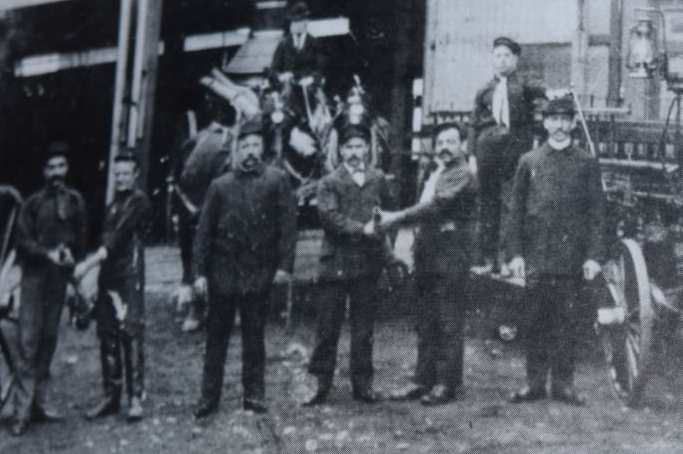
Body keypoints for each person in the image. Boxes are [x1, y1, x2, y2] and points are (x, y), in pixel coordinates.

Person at [503, 95, 605, 405]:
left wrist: (593, 256)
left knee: (566, 323)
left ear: (573, 124)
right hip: (537, 257)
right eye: (553, 119)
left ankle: (563, 385)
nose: (559, 125)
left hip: (571, 260)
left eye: (564, 120)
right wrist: (515, 254)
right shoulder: (529, 161)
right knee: (534, 321)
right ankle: (534, 383)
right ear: (545, 123)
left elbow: (597, 214)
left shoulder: (586, 163)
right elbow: (515, 212)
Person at [192, 126, 296, 417]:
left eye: (255, 145)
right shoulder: (220, 186)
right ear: (237, 150)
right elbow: (204, 233)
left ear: (262, 148)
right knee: (216, 339)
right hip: (222, 275)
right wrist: (199, 273)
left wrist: (284, 267)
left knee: (254, 337)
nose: (250, 151)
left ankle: (254, 394)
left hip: (258, 275)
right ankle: (209, 397)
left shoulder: (277, 180)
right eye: (245, 145)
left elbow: (288, 228)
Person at [377, 123, 479, 406]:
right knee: (426, 320)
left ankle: (446, 383)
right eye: (440, 142)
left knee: (448, 320)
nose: (444, 147)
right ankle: (423, 380)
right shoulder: (436, 171)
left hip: (450, 255)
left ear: (462, 145)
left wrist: (395, 217)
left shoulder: (462, 174)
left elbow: (436, 205)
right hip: (428, 254)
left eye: (451, 142)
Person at [305, 125, 392, 406]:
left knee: (363, 330)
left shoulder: (378, 178)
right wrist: (362, 230)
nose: (354, 153)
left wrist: (386, 252)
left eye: (359, 146)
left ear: (367, 148)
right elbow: (329, 217)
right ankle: (319, 385)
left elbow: (388, 217)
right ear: (341, 150)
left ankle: (363, 385)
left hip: (367, 264)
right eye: (349, 147)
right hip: (336, 264)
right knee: (327, 328)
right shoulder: (330, 182)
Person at [9, 142, 87, 436]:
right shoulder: (32, 204)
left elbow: (81, 238)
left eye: (61, 166)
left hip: (58, 281)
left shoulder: (76, 202)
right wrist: (47, 254)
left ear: (67, 169)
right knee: (27, 343)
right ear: (44, 172)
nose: (56, 173)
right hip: (34, 279)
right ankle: (20, 415)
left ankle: (38, 406)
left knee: (48, 340)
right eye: (51, 167)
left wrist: (73, 260)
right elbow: (22, 243)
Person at [78, 153, 152, 422]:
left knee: (130, 331)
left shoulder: (139, 202)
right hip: (108, 276)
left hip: (129, 275)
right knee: (107, 333)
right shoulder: (111, 207)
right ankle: (111, 397)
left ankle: (135, 398)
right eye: (117, 173)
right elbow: (105, 239)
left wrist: (88, 265)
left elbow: (119, 237)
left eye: (125, 173)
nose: (121, 178)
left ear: (135, 175)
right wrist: (95, 275)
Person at [469, 36, 546, 273]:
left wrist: (552, 93)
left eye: (506, 56)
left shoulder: (525, 86)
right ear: (493, 59)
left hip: (515, 152)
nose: (502, 60)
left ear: (515, 59)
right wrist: (472, 156)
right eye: (498, 56)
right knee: (487, 204)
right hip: (486, 152)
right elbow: (473, 124)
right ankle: (487, 259)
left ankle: (506, 259)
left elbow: (542, 96)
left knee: (510, 203)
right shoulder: (484, 89)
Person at [175, 111, 237, 332]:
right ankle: (197, 306)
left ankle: (231, 307)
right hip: (203, 206)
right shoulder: (210, 145)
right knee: (199, 252)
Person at [268, 0, 327, 91]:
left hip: (310, 88)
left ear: (306, 22)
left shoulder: (315, 43)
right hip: (289, 88)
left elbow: (321, 69)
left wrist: (311, 79)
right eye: (293, 21)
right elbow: (273, 70)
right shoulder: (284, 44)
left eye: (298, 21)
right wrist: (281, 76)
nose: (294, 25)